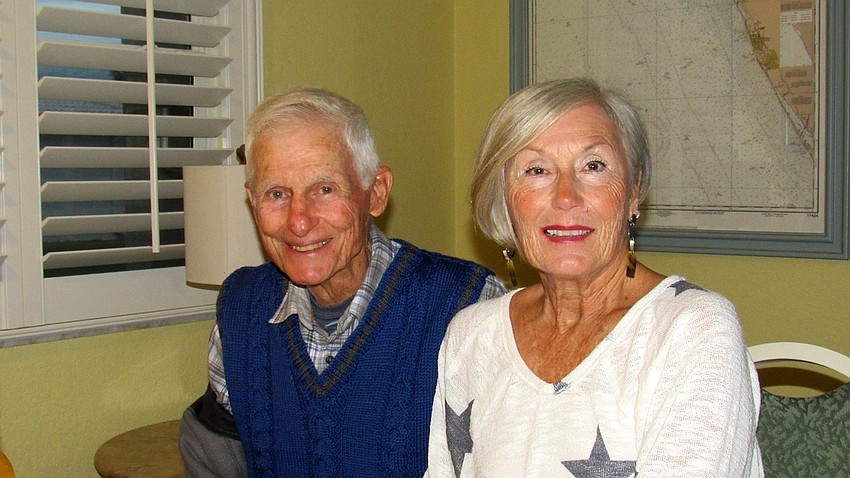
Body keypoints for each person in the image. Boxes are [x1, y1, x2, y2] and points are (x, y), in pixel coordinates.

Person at [427, 78, 763, 477]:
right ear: (504, 199)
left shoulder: (693, 329)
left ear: (633, 192)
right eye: (536, 170)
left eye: (593, 166)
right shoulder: (471, 336)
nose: (566, 196)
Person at [178, 87, 506, 478]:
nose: (299, 221)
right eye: (277, 193)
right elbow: (214, 456)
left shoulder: (465, 306)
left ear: (377, 192)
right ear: (253, 202)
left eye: (324, 189)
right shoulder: (240, 313)